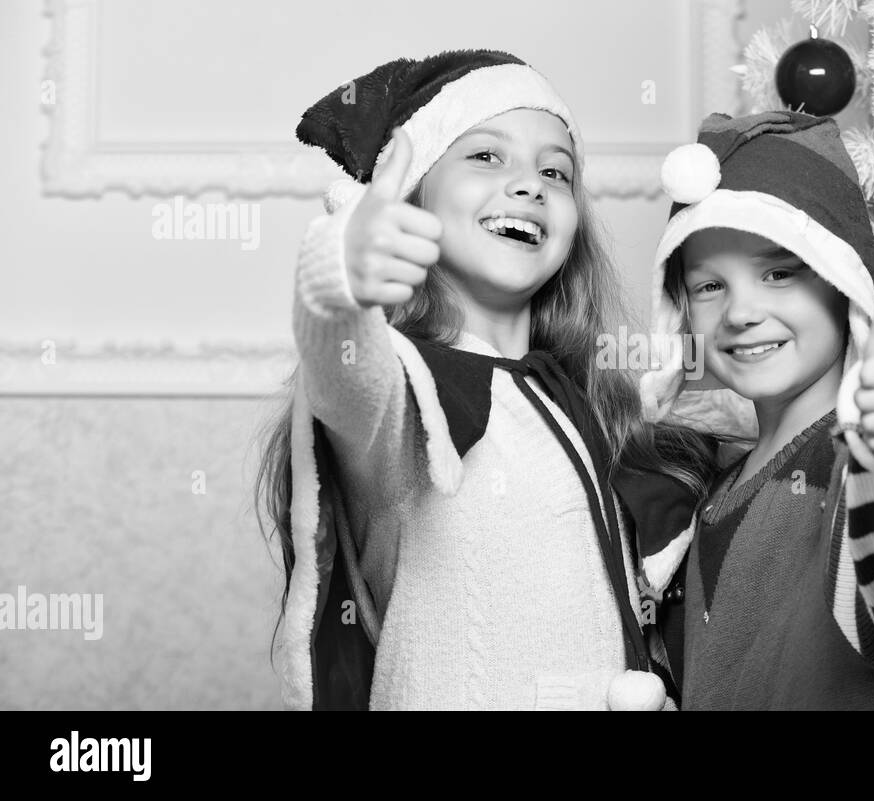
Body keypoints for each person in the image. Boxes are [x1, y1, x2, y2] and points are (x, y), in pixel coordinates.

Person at [255, 51, 687, 710]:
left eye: (555, 171)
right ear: (412, 197)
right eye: (486, 156)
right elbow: (343, 361)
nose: (530, 184)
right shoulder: (403, 396)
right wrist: (340, 274)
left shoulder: (586, 405)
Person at [636, 111, 874, 709]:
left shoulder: (848, 468)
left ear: (840, 285)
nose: (741, 311)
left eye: (778, 273)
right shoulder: (717, 487)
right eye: (709, 286)